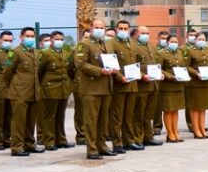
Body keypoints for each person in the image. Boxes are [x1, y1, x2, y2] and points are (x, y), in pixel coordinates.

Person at [74, 19, 118, 159]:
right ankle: (92, 149)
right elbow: (81, 64)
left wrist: (114, 69)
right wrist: (100, 71)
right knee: (91, 120)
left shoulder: (106, 43)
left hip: (106, 87)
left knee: (103, 121)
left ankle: (102, 146)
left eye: (102, 27)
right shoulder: (84, 44)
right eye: (97, 27)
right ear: (91, 28)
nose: (99, 29)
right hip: (91, 88)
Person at [3, 27, 42, 156]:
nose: (30, 39)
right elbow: (6, 72)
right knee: (18, 122)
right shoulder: (15, 52)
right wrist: (15, 86)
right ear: (21, 37)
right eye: (27, 36)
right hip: (19, 93)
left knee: (31, 121)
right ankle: (17, 147)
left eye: (32, 36)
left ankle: (29, 144)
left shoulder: (36, 52)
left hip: (33, 92)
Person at [38, 31, 73, 150]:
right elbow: (39, 71)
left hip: (63, 89)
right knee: (49, 117)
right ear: (51, 40)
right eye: (57, 39)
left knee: (60, 116)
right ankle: (49, 141)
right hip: (50, 89)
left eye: (61, 39)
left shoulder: (64, 52)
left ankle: (61, 140)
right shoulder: (46, 53)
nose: (59, 41)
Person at [109, 20, 140, 152]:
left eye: (125, 28)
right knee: (117, 116)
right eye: (120, 28)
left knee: (129, 116)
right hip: (119, 85)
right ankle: (117, 143)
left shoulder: (132, 43)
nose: (123, 31)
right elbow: (111, 63)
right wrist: (120, 78)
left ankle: (129, 140)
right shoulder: (111, 43)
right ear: (116, 29)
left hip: (132, 84)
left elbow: (135, 62)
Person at [131, 26, 163, 147]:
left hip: (153, 84)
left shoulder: (150, 45)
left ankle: (148, 136)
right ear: (136, 34)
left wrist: (160, 74)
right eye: (142, 33)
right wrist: (143, 75)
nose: (145, 35)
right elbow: (133, 65)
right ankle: (138, 138)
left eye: (147, 33)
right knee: (139, 113)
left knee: (149, 114)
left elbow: (155, 63)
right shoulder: (133, 46)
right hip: (142, 85)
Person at [185, 32, 208, 139]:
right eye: (200, 39)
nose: (202, 41)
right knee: (195, 107)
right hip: (195, 83)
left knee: (203, 107)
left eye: (203, 39)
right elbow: (187, 66)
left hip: (206, 83)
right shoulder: (189, 51)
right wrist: (196, 73)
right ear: (196, 40)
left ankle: (202, 128)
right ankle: (196, 130)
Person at [157, 34, 187, 143]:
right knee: (168, 110)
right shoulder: (162, 53)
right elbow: (158, 69)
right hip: (168, 85)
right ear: (167, 42)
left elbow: (183, 66)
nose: (174, 43)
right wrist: (170, 76)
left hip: (178, 85)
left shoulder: (179, 52)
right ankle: (170, 134)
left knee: (175, 110)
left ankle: (175, 132)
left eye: (176, 41)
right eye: (172, 41)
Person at [0, 30, 15, 151]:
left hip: (10, 89)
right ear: (0, 40)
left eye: (10, 41)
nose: (8, 42)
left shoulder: (12, 53)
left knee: (9, 116)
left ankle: (7, 139)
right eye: (6, 40)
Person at [151, 30, 170, 137]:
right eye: (162, 38)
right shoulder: (154, 50)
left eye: (166, 39)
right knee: (157, 106)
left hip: (169, 82)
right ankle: (157, 127)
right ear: (158, 39)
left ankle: (171, 127)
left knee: (169, 106)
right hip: (157, 81)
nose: (164, 41)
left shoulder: (170, 51)